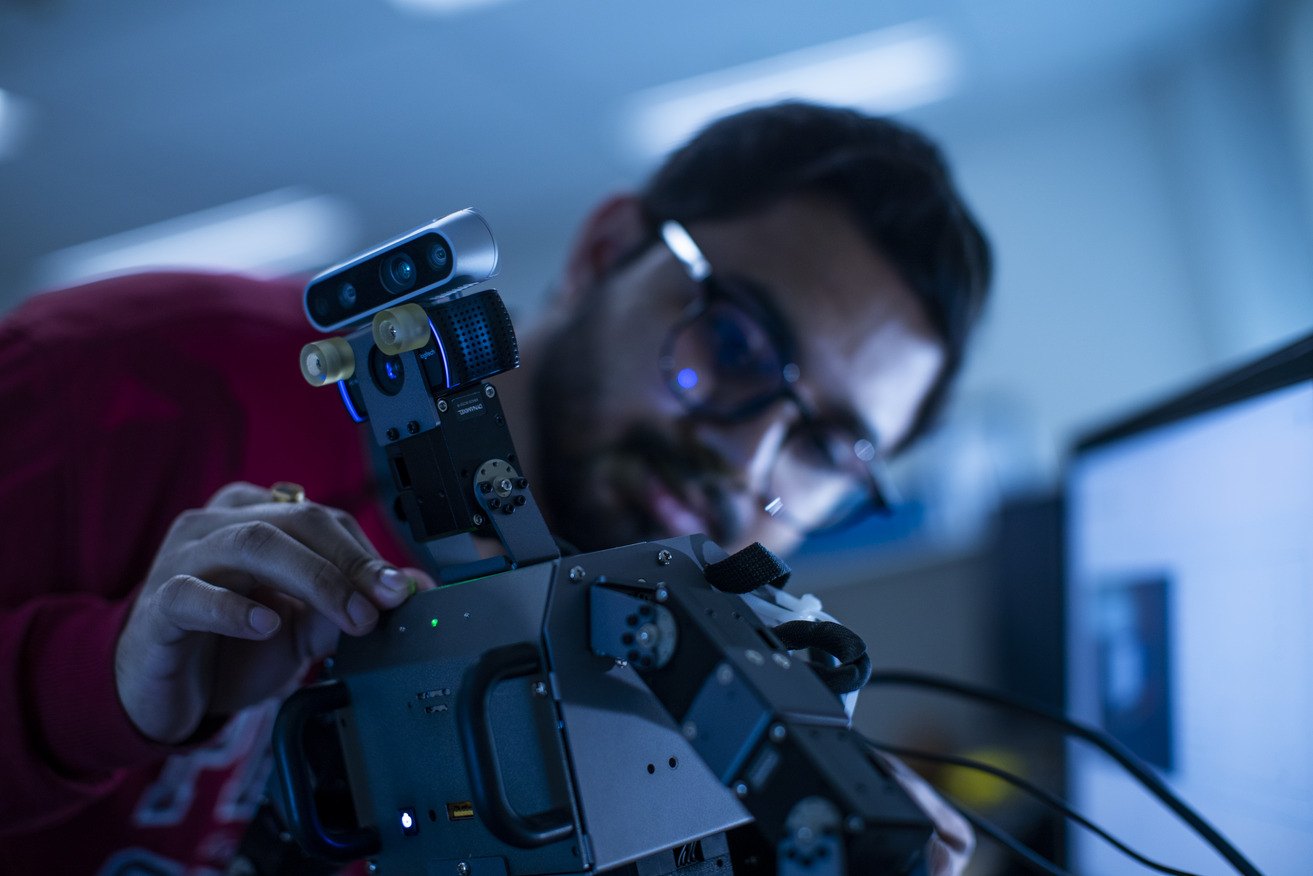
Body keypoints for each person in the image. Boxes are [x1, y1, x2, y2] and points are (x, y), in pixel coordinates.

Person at [0, 102, 990, 875]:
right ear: (606, 251)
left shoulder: (667, 720)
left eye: (823, 447)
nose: (745, 463)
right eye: (733, 345)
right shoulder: (129, 380)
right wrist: (90, 689)